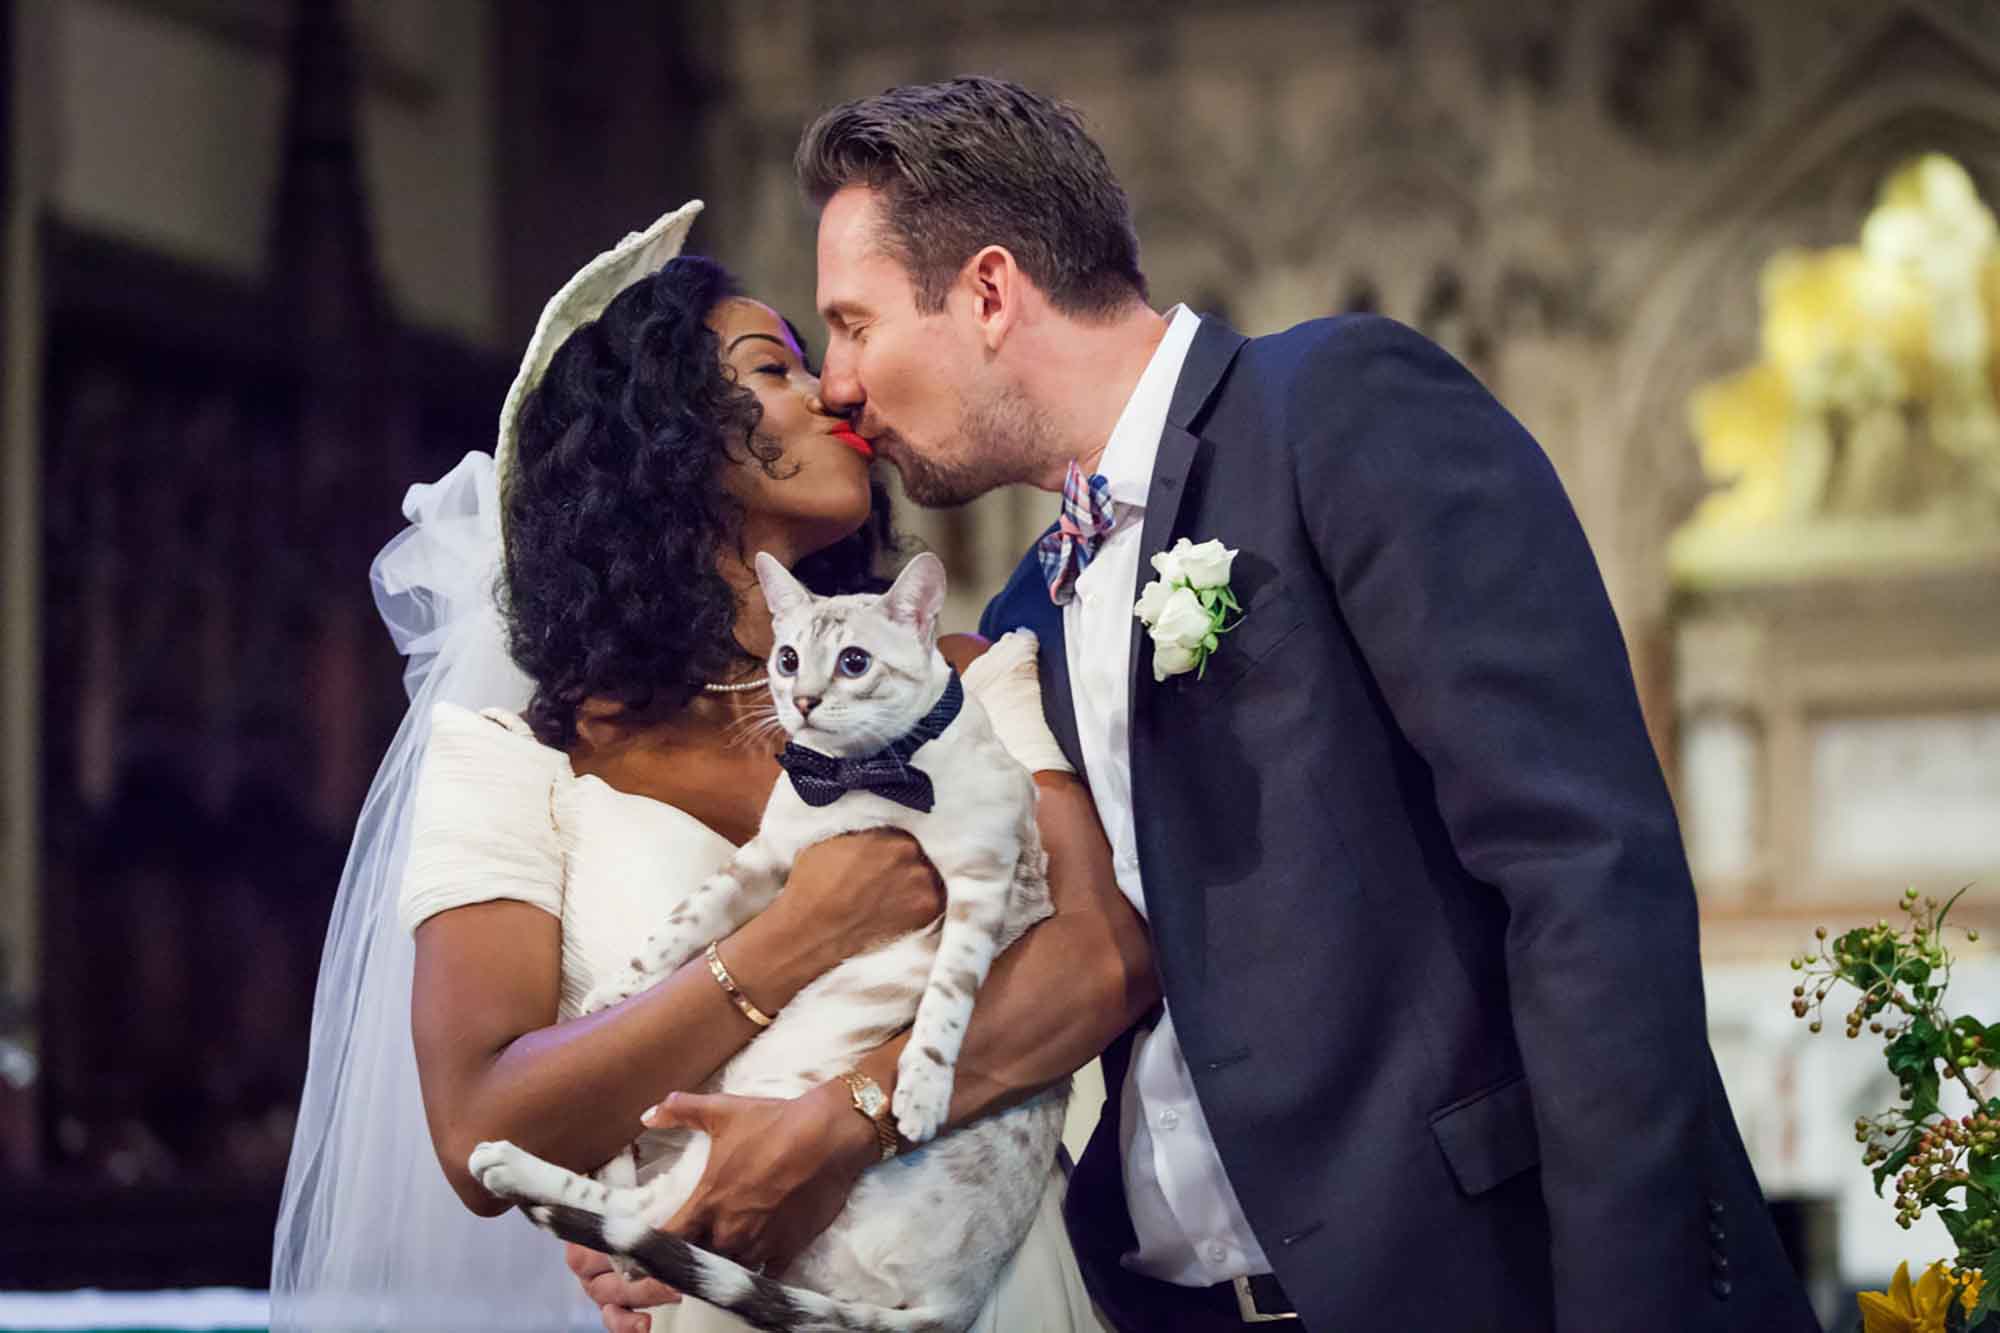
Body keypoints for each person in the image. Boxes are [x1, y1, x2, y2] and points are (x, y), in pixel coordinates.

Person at [592, 78, 1826, 1332]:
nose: (840, 384)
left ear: (986, 292)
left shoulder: (1333, 410)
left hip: (1475, 1279)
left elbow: (1582, 864)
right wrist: (702, 1183)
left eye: (850, 325)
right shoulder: (1017, 621)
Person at [272, 202, 1147, 1332]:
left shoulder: (961, 680)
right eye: (771, 367)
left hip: (989, 1288)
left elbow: (1103, 957)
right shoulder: (517, 763)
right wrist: (797, 934)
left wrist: (840, 1127)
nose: (833, 392)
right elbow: (476, 1129)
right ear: (658, 439)